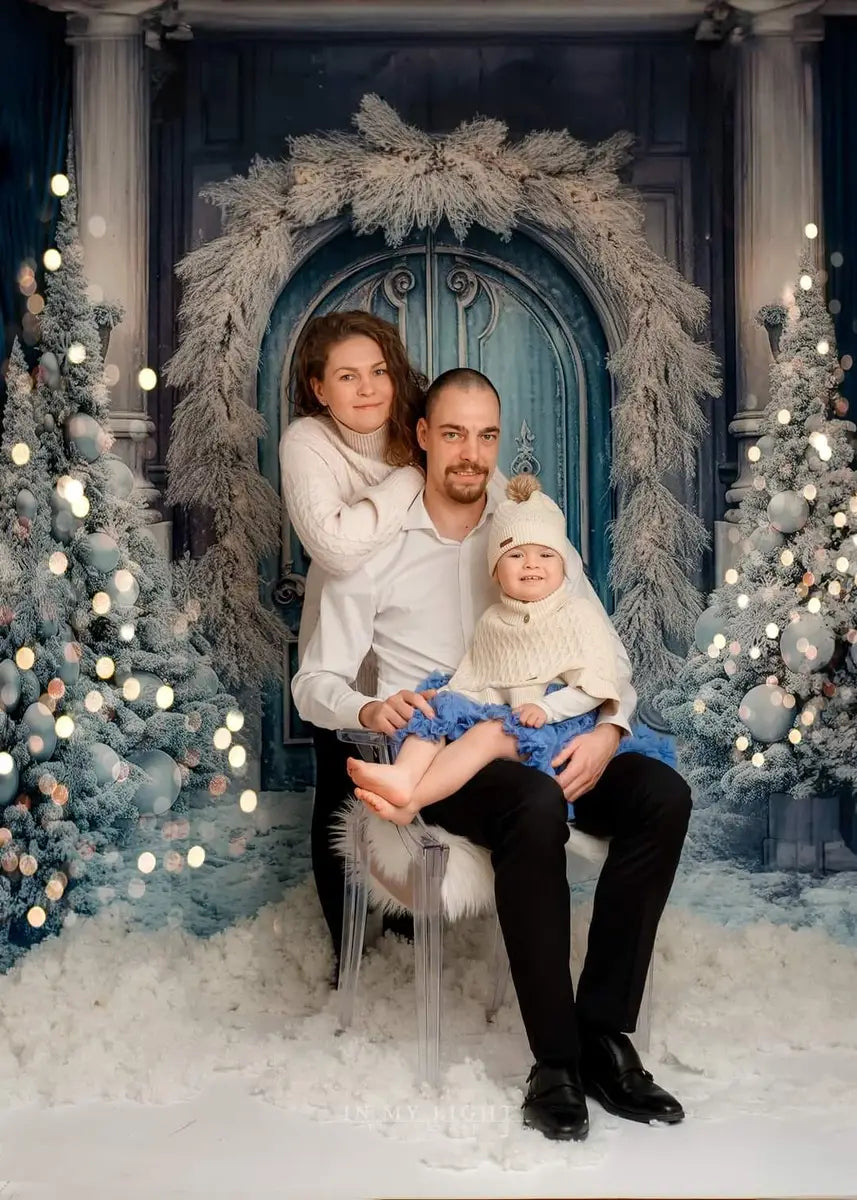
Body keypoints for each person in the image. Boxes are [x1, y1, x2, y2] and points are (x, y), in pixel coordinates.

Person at [293, 367, 690, 1142]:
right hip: (448, 752)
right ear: (422, 438)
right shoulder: (379, 547)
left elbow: (601, 651)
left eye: (484, 436)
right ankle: (554, 1061)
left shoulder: (529, 532)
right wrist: (370, 705)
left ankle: (604, 1034)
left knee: (661, 796)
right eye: (452, 434)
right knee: (533, 804)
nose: (470, 454)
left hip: (558, 731)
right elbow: (315, 681)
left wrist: (609, 731)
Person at [346, 472, 623, 821]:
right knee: (436, 711)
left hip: (563, 724)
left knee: (488, 735)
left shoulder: (578, 613)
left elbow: (596, 686)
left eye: (546, 555)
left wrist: (547, 708)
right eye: (516, 555)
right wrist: (448, 698)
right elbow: (482, 682)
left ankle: (411, 804)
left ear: (562, 565)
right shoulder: (494, 620)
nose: (532, 564)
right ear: (496, 571)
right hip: (513, 714)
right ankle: (404, 774)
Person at [279, 310, 426, 965]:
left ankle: (412, 937)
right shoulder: (306, 442)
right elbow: (335, 548)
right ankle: (349, 951)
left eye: (378, 372)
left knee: (420, 794)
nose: (367, 388)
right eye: (347, 376)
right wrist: (406, 481)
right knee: (341, 796)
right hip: (340, 649)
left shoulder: (422, 428)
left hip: (421, 645)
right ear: (319, 388)